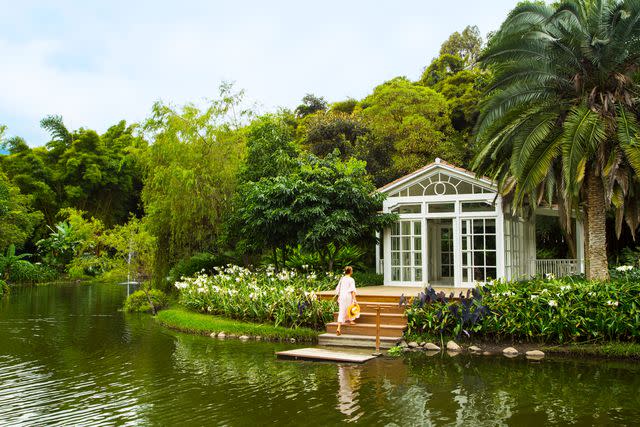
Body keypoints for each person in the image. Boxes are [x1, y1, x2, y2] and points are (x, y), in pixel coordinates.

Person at [335, 266, 357, 336]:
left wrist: (339, 296)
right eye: (352, 270)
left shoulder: (342, 279)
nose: (352, 271)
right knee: (350, 307)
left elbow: (338, 288)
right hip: (348, 296)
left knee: (341, 310)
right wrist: (354, 299)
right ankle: (351, 320)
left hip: (342, 296)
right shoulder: (351, 280)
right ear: (350, 271)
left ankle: (338, 327)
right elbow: (352, 290)